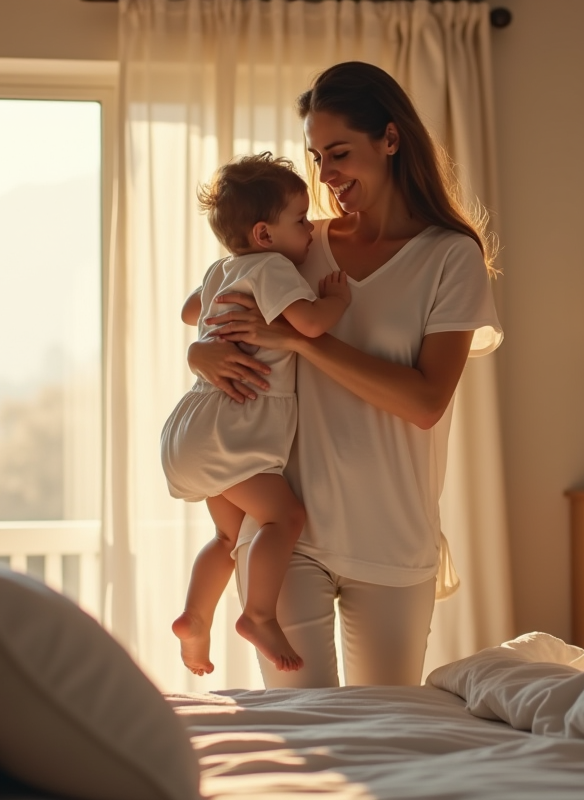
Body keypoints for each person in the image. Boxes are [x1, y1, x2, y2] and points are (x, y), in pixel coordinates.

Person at [186, 61, 503, 689]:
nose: (325, 174)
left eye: (338, 153)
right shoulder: (297, 245)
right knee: (304, 730)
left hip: (393, 538)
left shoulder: (450, 256)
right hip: (287, 533)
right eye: (316, 157)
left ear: (390, 139)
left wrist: (300, 341)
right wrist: (200, 357)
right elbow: (214, 313)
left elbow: (425, 401)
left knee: (383, 730)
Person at [163, 152, 351, 676]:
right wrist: (336, 301)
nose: (310, 229)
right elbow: (308, 325)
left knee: (229, 539)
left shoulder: (222, 269)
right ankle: (259, 614)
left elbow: (189, 312)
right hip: (234, 430)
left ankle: (195, 618)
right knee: (283, 518)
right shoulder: (272, 268)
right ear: (265, 234)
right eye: (300, 219)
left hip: (194, 428)